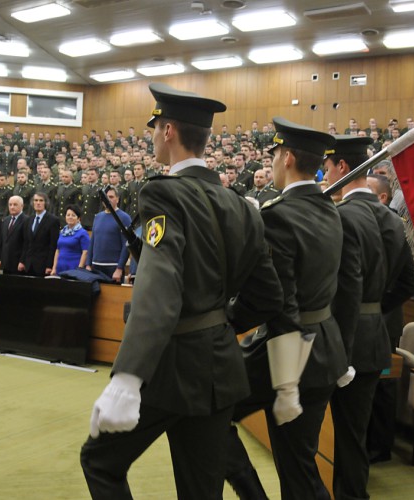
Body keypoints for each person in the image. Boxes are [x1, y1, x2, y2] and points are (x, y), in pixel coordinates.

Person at [81, 83, 284, 499]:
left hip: (170, 366)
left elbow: (160, 285)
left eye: (155, 126)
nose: (153, 134)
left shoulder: (162, 193)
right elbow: (268, 295)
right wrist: (220, 323)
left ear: (169, 130)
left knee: (100, 461)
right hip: (220, 367)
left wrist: (128, 376)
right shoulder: (243, 208)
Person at [225, 117, 346, 500]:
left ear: (288, 156)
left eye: (275, 155)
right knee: (299, 467)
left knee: (207, 410)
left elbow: (277, 302)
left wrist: (226, 322)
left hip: (288, 353)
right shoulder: (330, 210)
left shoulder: (277, 215)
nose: (273, 163)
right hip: (325, 349)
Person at [323, 136, 392, 500]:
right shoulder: (390, 218)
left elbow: (343, 290)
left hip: (343, 342)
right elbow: (406, 282)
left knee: (342, 438)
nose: (325, 172)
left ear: (342, 168)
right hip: (375, 334)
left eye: (328, 167)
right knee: (354, 438)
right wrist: (375, 310)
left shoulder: (341, 216)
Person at [86, 187, 131, 282]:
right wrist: (88, 264)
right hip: (96, 266)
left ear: (117, 199)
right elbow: (92, 242)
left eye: (111, 197)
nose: (108, 199)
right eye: (106, 197)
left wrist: (119, 268)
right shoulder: (98, 217)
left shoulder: (124, 218)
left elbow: (126, 245)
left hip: (113, 267)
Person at [19, 192, 60, 276]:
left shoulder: (53, 220)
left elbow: (53, 245)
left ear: (45, 203)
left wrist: (49, 265)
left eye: (41, 200)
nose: (38, 203)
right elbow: (26, 243)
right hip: (28, 264)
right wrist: (22, 261)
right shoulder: (28, 220)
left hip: (43, 265)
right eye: (36, 200)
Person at [51, 205, 90, 275]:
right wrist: (54, 268)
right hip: (60, 268)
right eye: (68, 215)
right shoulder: (62, 232)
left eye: (73, 215)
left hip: (74, 268)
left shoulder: (82, 233)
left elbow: (85, 252)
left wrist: (79, 269)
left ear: (78, 219)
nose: (70, 217)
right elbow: (58, 250)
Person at [0, 196, 28, 274]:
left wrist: (22, 261)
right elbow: (1, 241)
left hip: (18, 263)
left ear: (22, 206)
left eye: (15, 205)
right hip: (5, 262)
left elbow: (26, 244)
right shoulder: (6, 220)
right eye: (10, 205)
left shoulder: (27, 221)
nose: (12, 207)